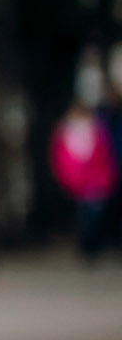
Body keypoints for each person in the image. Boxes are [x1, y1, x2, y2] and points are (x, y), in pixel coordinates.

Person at [50, 97, 116, 259]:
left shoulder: (95, 130)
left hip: (94, 181)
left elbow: (103, 155)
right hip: (78, 181)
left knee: (91, 212)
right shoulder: (67, 132)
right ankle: (87, 244)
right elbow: (62, 158)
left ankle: (89, 244)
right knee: (86, 213)